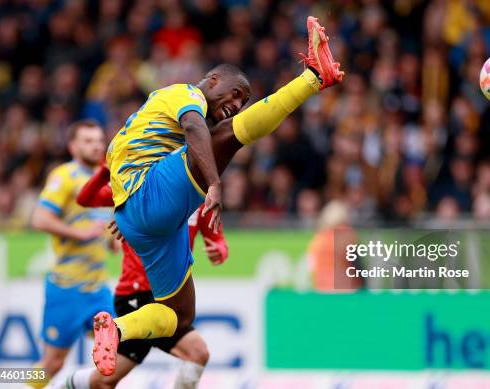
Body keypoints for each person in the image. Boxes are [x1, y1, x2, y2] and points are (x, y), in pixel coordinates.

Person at [93, 16, 343, 376]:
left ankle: (117, 329)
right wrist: (214, 183)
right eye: (235, 94)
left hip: (148, 224)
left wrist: (127, 209)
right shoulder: (184, 94)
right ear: (212, 80)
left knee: (179, 316)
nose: (236, 104)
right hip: (148, 201)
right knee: (226, 136)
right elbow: (195, 129)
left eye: (243, 102)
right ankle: (314, 78)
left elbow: (118, 155)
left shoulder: (151, 125)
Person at [55, 164, 227, 389]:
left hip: (168, 294)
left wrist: (220, 250)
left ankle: (65, 385)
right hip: (138, 293)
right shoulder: (137, 189)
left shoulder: (200, 197)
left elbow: (218, 239)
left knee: (105, 381)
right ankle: (111, 332)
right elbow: (86, 198)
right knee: (197, 353)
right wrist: (106, 170)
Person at [29, 120, 113, 388]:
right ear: (72, 146)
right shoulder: (64, 176)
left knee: (115, 354)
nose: (96, 145)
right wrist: (81, 233)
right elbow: (40, 219)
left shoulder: (108, 177)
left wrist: (114, 240)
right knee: (53, 363)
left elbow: (107, 226)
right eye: (87, 141)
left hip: (98, 287)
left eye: (99, 140)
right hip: (66, 287)